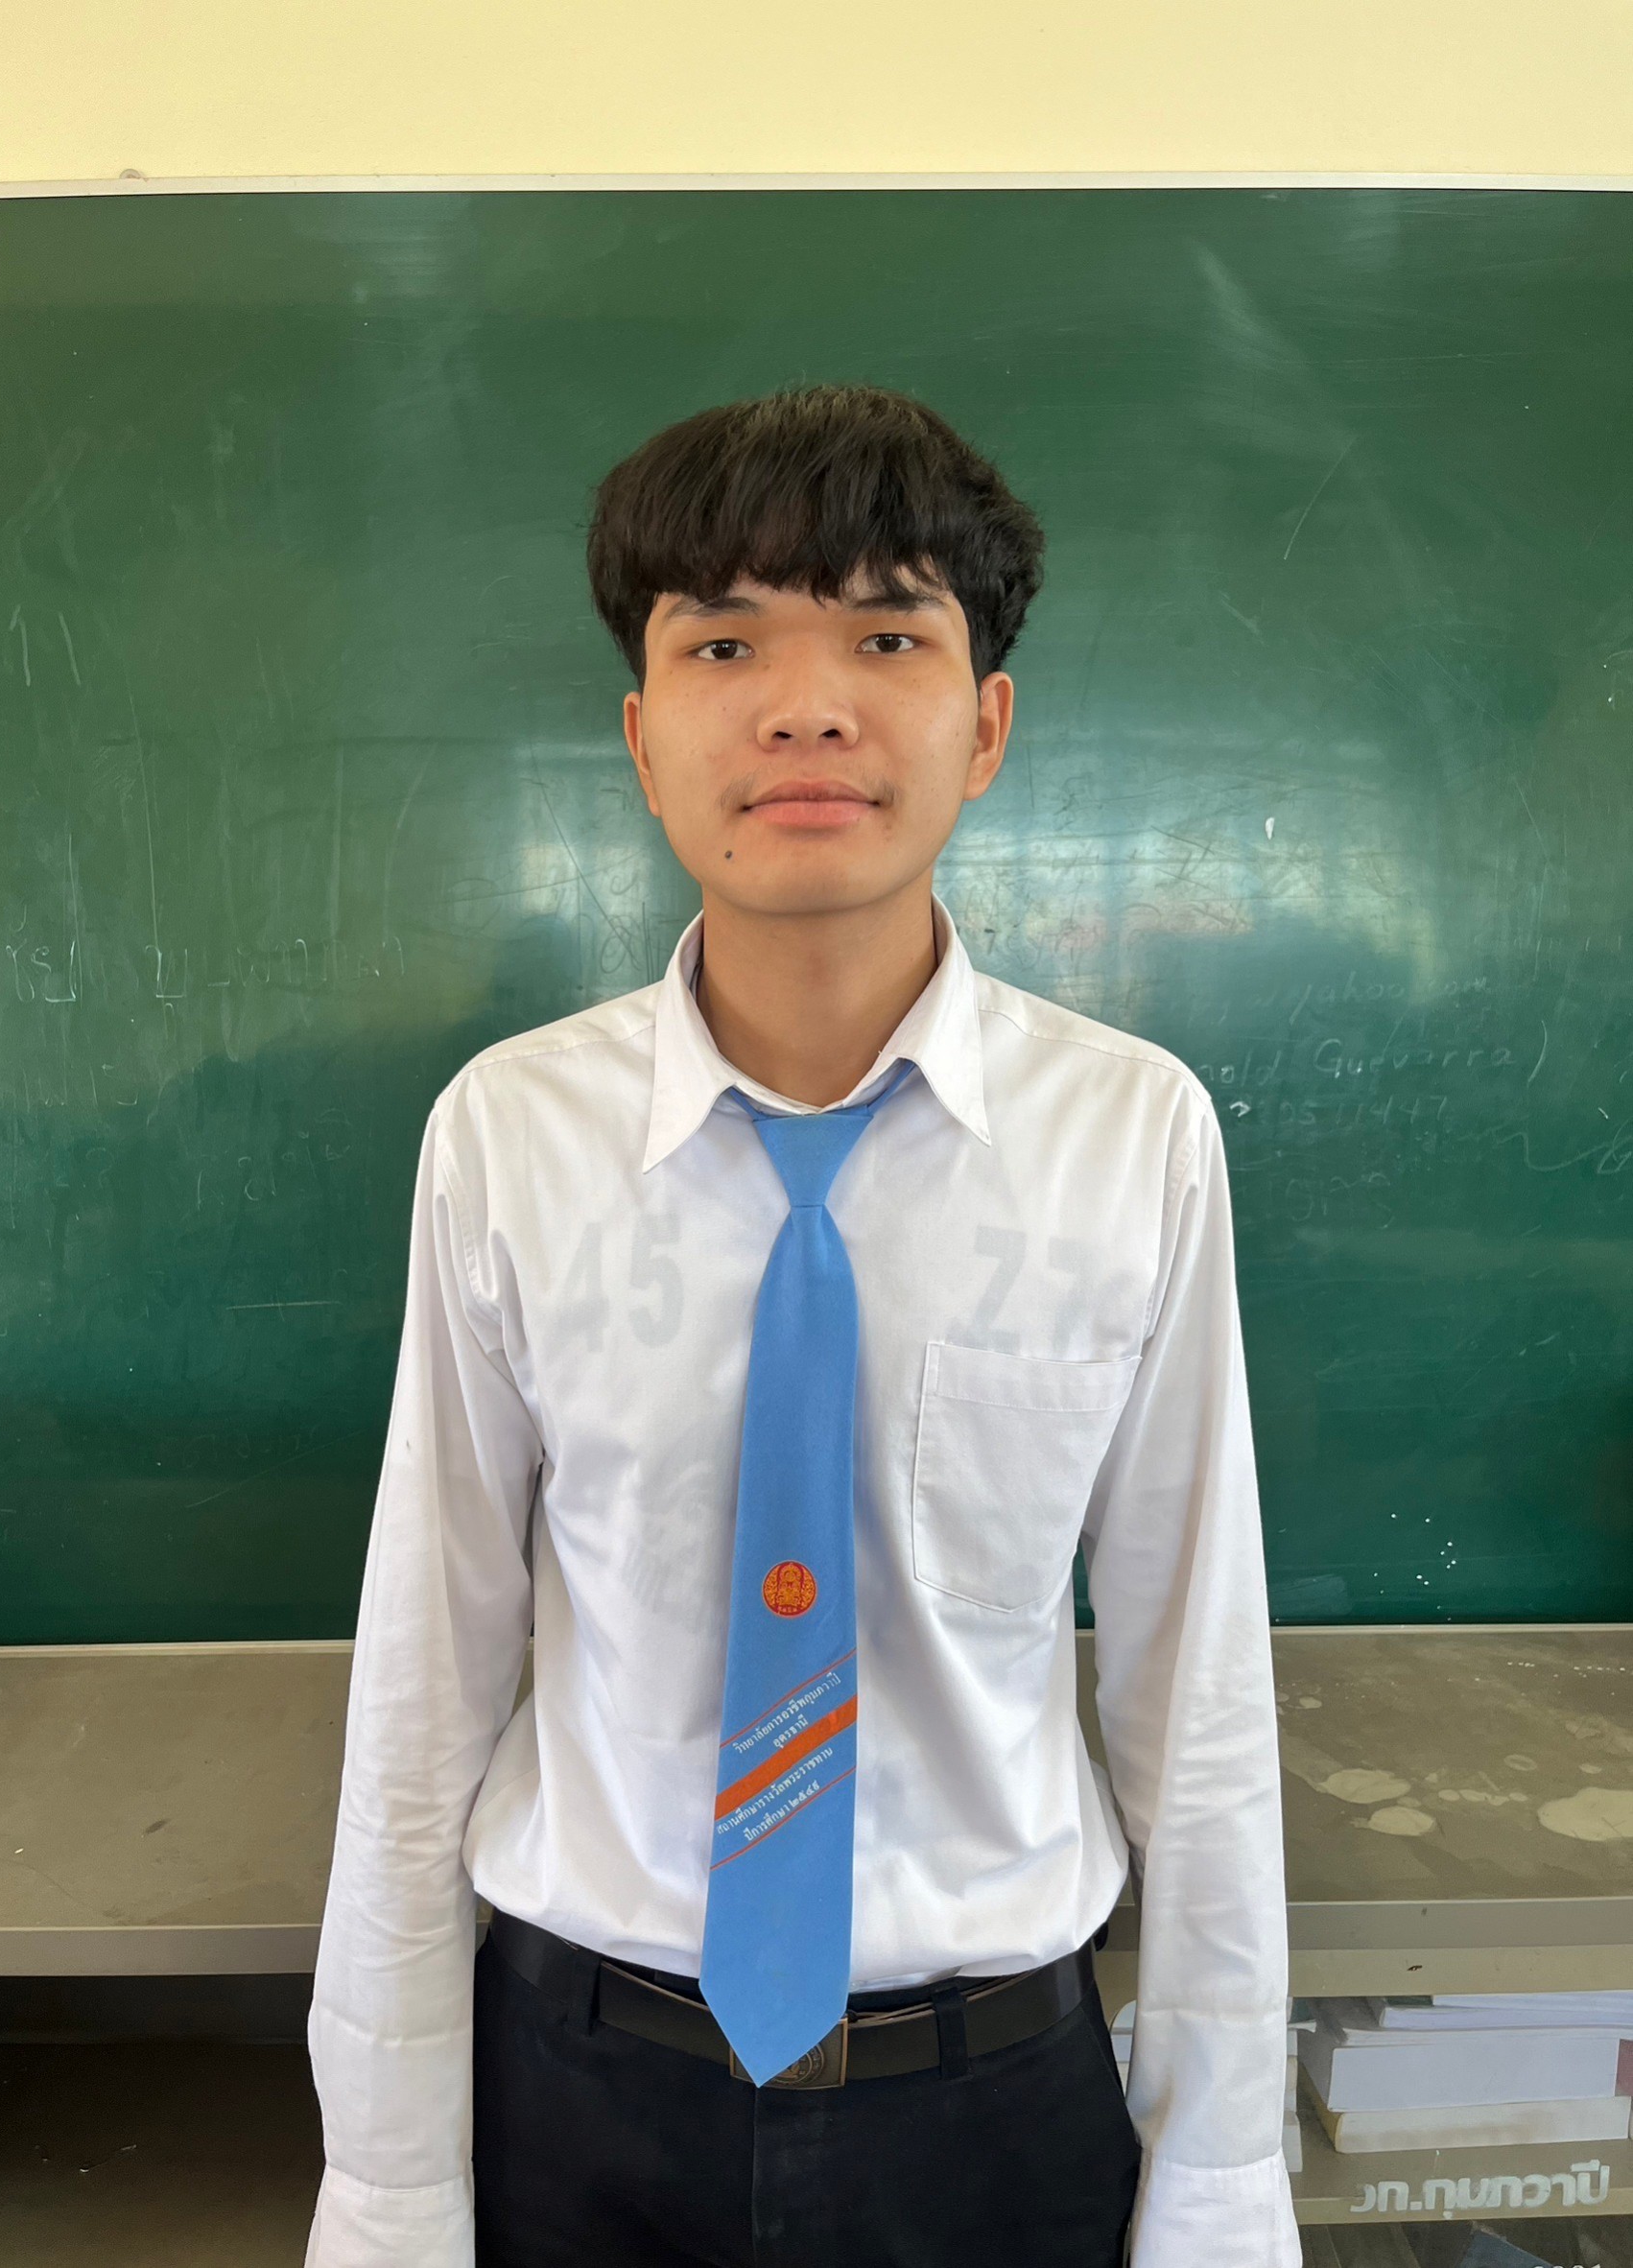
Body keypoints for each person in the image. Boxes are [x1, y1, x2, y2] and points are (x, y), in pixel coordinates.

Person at [304, 383, 1300, 2268]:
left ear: (984, 724)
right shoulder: (509, 1135)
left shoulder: (1131, 1137)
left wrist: (1222, 2182)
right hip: (579, 2089)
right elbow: (429, 1670)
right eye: (724, 643)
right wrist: (388, 2181)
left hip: (994, 2104)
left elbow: (1193, 1682)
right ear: (641, 735)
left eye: (887, 636)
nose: (805, 706)